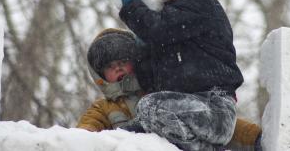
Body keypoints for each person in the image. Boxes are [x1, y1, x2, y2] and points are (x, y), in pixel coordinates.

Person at [115, 0, 245, 151]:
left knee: (150, 107)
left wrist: (131, 3)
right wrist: (143, 49)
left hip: (214, 108)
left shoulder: (201, 6)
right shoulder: (171, 21)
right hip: (187, 110)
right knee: (138, 122)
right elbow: (151, 79)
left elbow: (156, 29)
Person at [76, 28, 262, 151]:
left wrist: (256, 138)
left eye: (123, 61)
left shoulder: (164, 89)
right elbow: (82, 136)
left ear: (136, 60)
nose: (118, 68)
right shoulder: (102, 108)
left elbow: (208, 120)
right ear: (100, 75)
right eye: (110, 66)